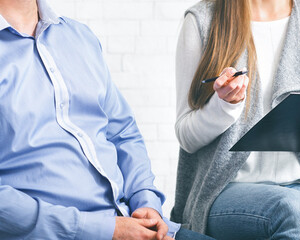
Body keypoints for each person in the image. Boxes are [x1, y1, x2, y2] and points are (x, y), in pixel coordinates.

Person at [0, 0, 211, 239]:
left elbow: (122, 132)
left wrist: (146, 202)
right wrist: (105, 230)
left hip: (136, 224)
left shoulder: (80, 37)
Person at [170, 0, 300, 239]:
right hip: (225, 192)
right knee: (293, 212)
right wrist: (224, 106)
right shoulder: (202, 20)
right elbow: (186, 137)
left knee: (298, 211)